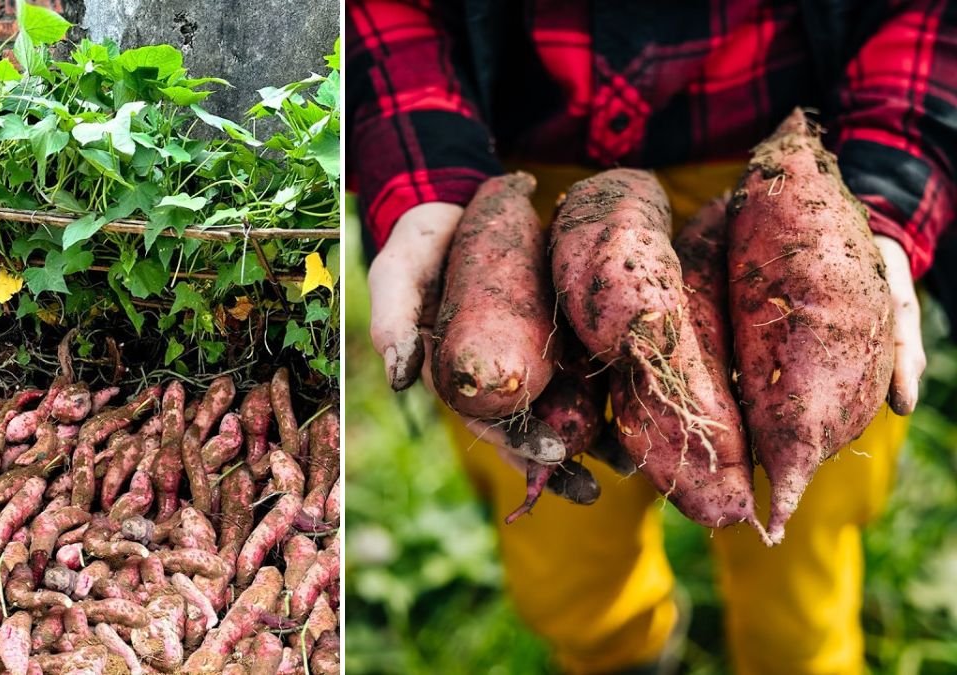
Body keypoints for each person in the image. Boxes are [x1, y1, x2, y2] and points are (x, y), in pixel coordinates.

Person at [347, 1, 955, 673]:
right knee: (564, 550)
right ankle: (622, 653)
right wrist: (424, 180)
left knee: (806, 535)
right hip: (516, 194)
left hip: (797, 197)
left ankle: (798, 651)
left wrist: (891, 190)